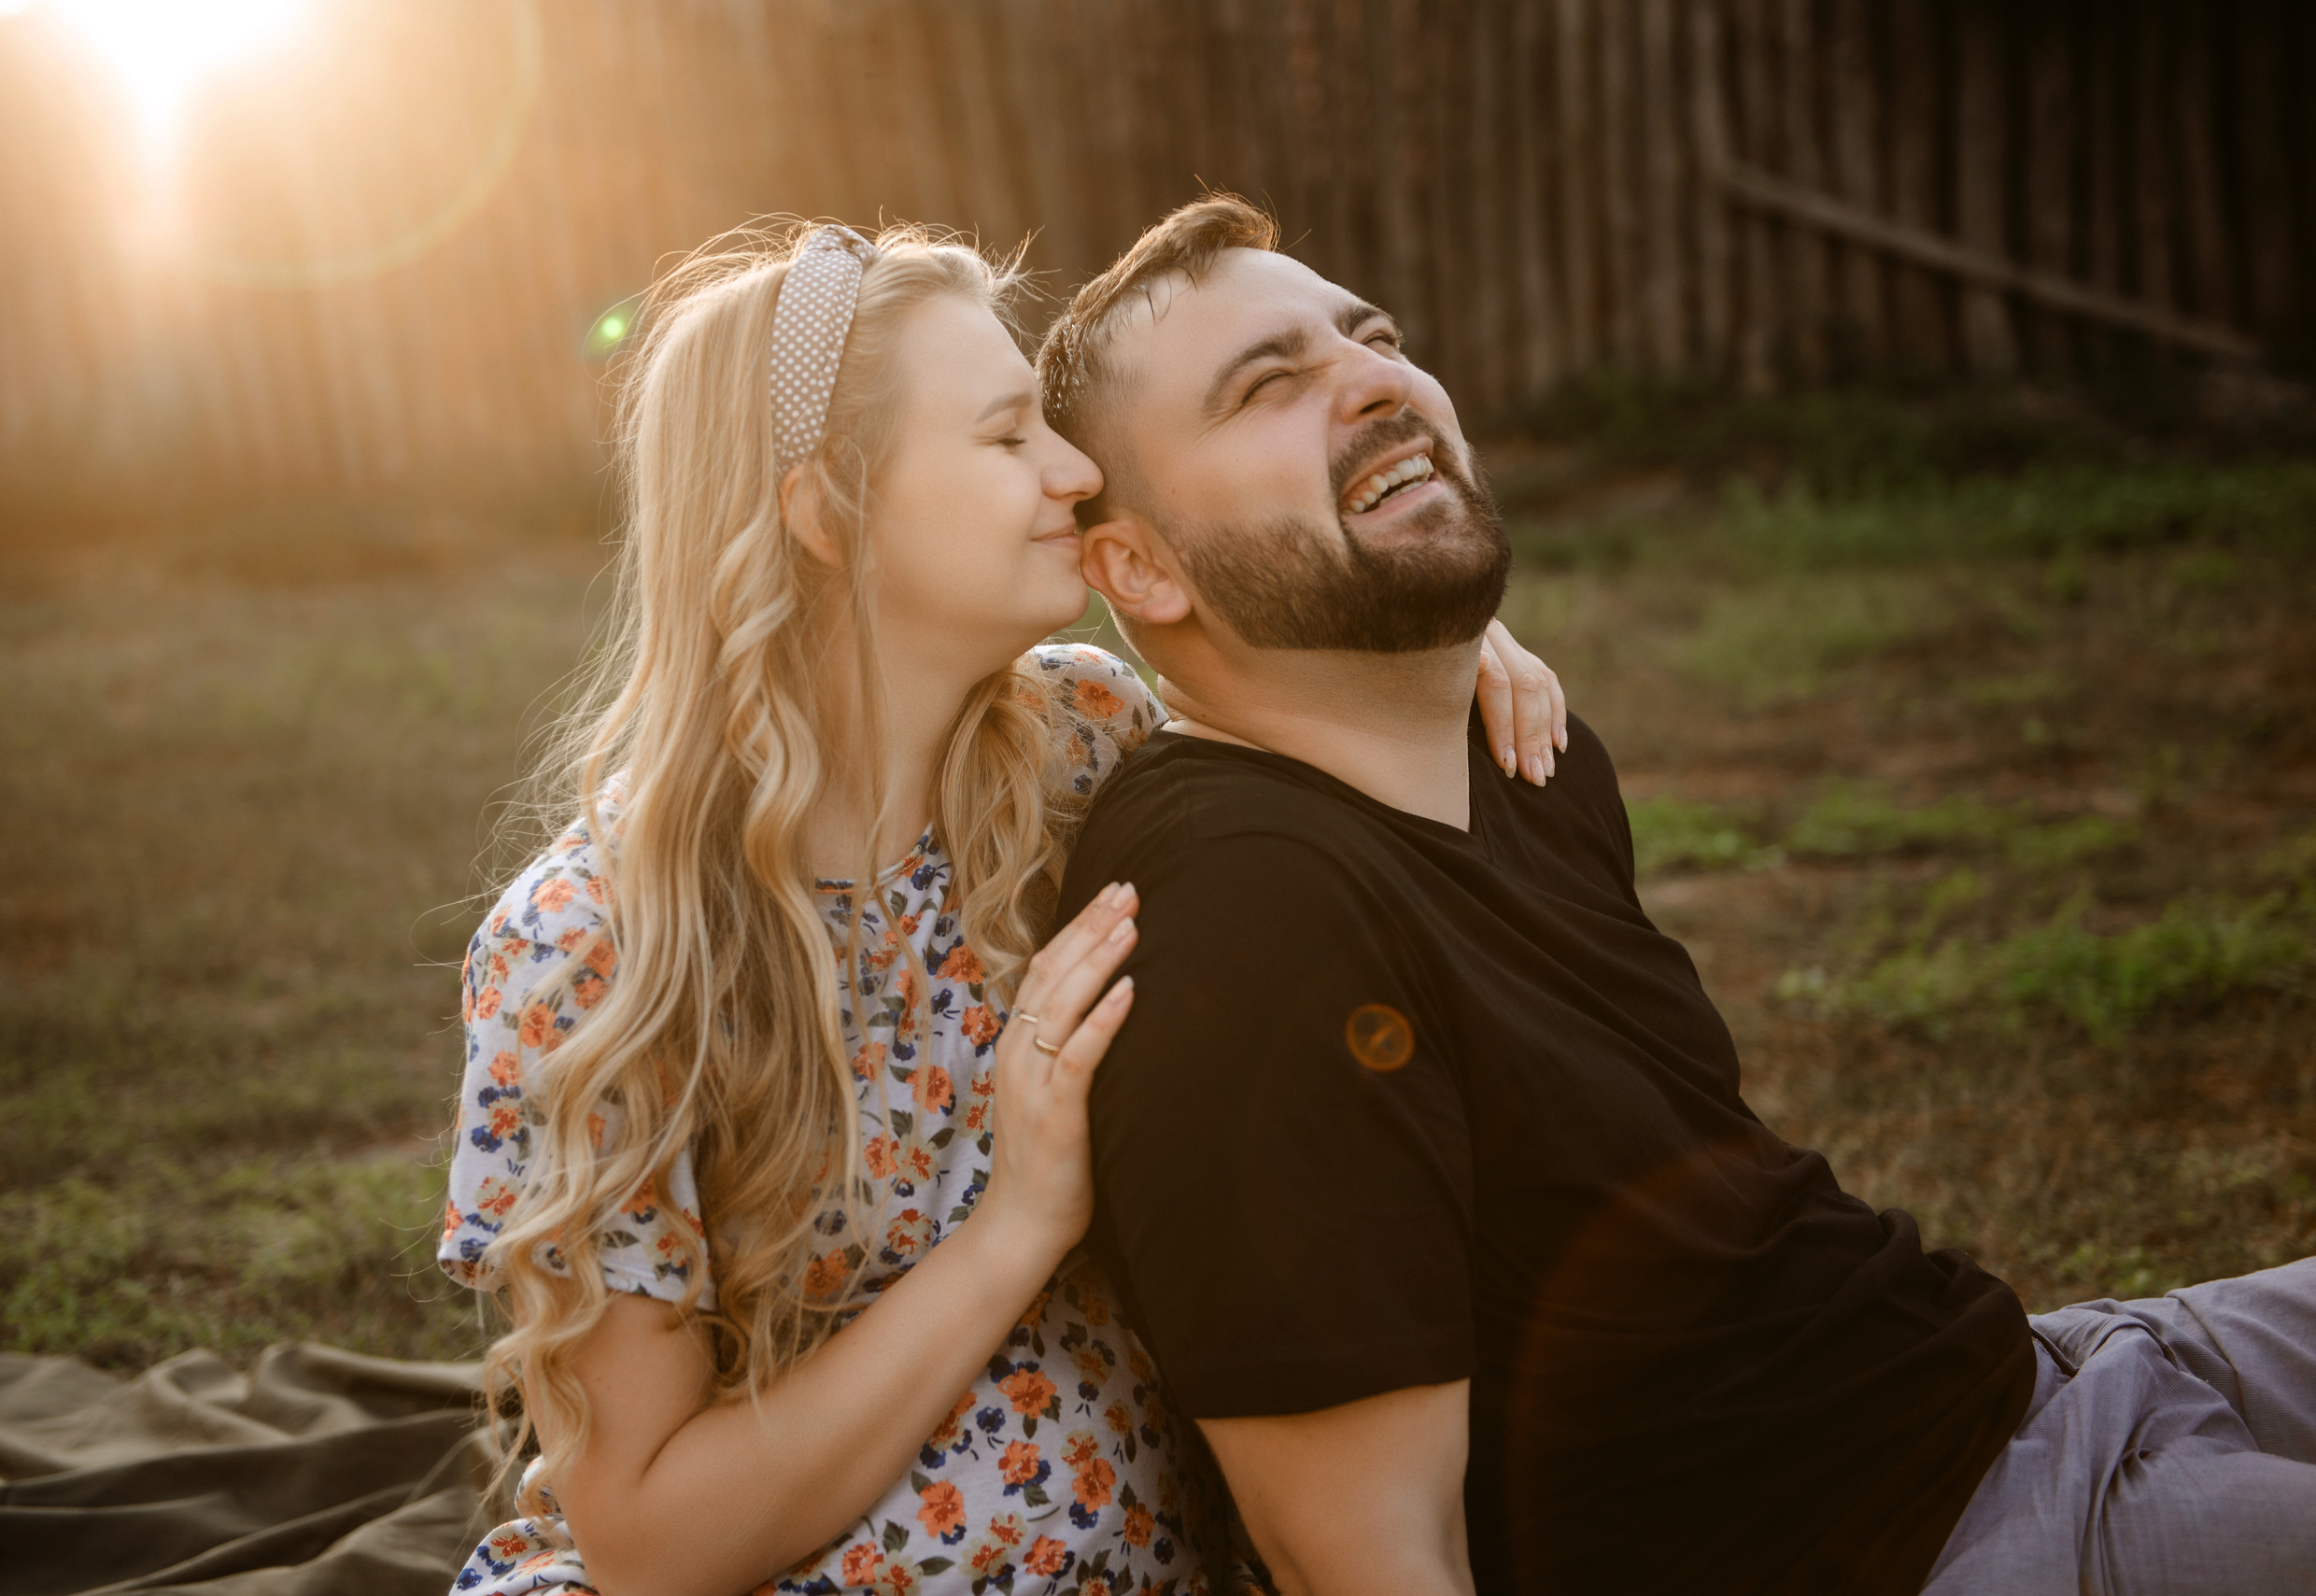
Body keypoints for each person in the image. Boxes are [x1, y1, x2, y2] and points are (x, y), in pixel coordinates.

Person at [1041, 196, 2316, 1596]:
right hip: (1942, 1545)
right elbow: (1363, 1554)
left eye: (1374, 334)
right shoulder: (1241, 918)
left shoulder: (1520, 754)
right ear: (1138, 568)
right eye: (1268, 385)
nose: (1378, 377)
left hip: (2043, 1369)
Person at [433, 221, 1565, 1596]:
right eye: (1007, 434)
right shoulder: (600, 949)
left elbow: (1296, 688)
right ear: (827, 511)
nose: (1078, 471)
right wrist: (1013, 1229)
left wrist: (1448, 641)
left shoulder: (1080, 748)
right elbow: (652, 1541)